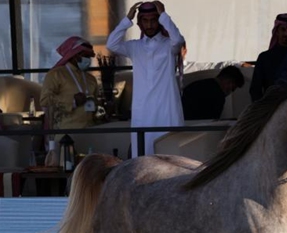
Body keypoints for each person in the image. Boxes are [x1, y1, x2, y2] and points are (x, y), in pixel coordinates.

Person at [107, 1, 185, 157]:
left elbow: (178, 40)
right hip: (143, 112)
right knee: (143, 157)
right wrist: (127, 20)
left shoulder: (169, 45)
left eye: (153, 20)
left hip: (166, 109)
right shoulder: (134, 47)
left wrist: (163, 15)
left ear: (159, 21)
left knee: (171, 158)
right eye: (145, 20)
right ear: (140, 23)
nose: (149, 25)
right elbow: (111, 45)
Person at [40, 36, 101, 129]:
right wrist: (73, 101)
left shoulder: (91, 79)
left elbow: (97, 103)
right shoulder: (56, 74)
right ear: (74, 55)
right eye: (85, 56)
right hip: (65, 132)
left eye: (89, 56)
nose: (88, 59)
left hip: (90, 131)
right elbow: (45, 101)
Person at [250, 13, 287, 102]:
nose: (286, 34)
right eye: (283, 29)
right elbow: (255, 89)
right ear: (277, 32)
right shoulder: (264, 58)